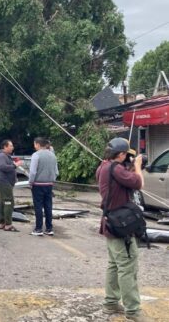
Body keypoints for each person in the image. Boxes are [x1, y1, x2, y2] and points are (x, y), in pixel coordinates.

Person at [96, 138, 148, 322]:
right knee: (127, 266)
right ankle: (133, 311)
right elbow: (139, 184)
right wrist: (138, 166)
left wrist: (129, 166)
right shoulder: (116, 169)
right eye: (126, 153)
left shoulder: (104, 166)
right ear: (120, 154)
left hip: (110, 222)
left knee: (114, 265)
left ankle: (110, 303)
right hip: (121, 225)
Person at [28, 137, 58, 236]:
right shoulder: (53, 155)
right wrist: (52, 180)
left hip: (38, 184)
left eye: (34, 144)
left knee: (38, 207)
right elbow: (56, 171)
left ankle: (38, 229)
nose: (34, 146)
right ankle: (49, 228)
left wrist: (30, 182)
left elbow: (32, 172)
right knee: (48, 206)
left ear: (37, 144)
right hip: (49, 184)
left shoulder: (36, 155)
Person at [0, 139, 22, 232]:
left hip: (6, 182)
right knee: (8, 202)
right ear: (5, 147)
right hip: (5, 183)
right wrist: (15, 165)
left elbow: (6, 167)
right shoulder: (2, 156)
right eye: (10, 146)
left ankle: (2, 222)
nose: (12, 147)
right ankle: (8, 224)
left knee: (3, 202)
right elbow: (2, 167)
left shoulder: (5, 156)